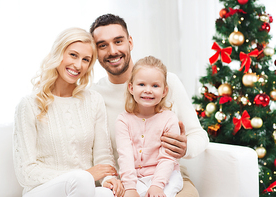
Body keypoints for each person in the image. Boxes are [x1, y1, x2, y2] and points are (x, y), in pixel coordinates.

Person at [90, 14, 209, 197]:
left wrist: (185, 148)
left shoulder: (167, 81)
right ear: (95, 52)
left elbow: (199, 135)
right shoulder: (95, 95)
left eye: (118, 41)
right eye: (102, 45)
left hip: (170, 180)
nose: (112, 51)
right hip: (126, 184)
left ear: (130, 42)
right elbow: (99, 153)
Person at [13, 27, 124, 197]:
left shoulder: (94, 101)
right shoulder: (29, 105)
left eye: (86, 59)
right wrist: (85, 175)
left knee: (108, 194)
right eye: (73, 55)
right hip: (42, 190)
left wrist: (109, 178)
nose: (78, 65)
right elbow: (26, 173)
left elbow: (103, 157)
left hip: (83, 188)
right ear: (59, 53)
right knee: (80, 179)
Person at [116, 56, 183, 197]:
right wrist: (129, 187)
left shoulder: (169, 119)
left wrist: (157, 186)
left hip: (167, 176)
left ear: (164, 91)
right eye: (141, 84)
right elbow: (125, 155)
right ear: (131, 87)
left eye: (155, 86)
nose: (148, 90)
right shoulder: (123, 120)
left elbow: (167, 157)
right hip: (136, 179)